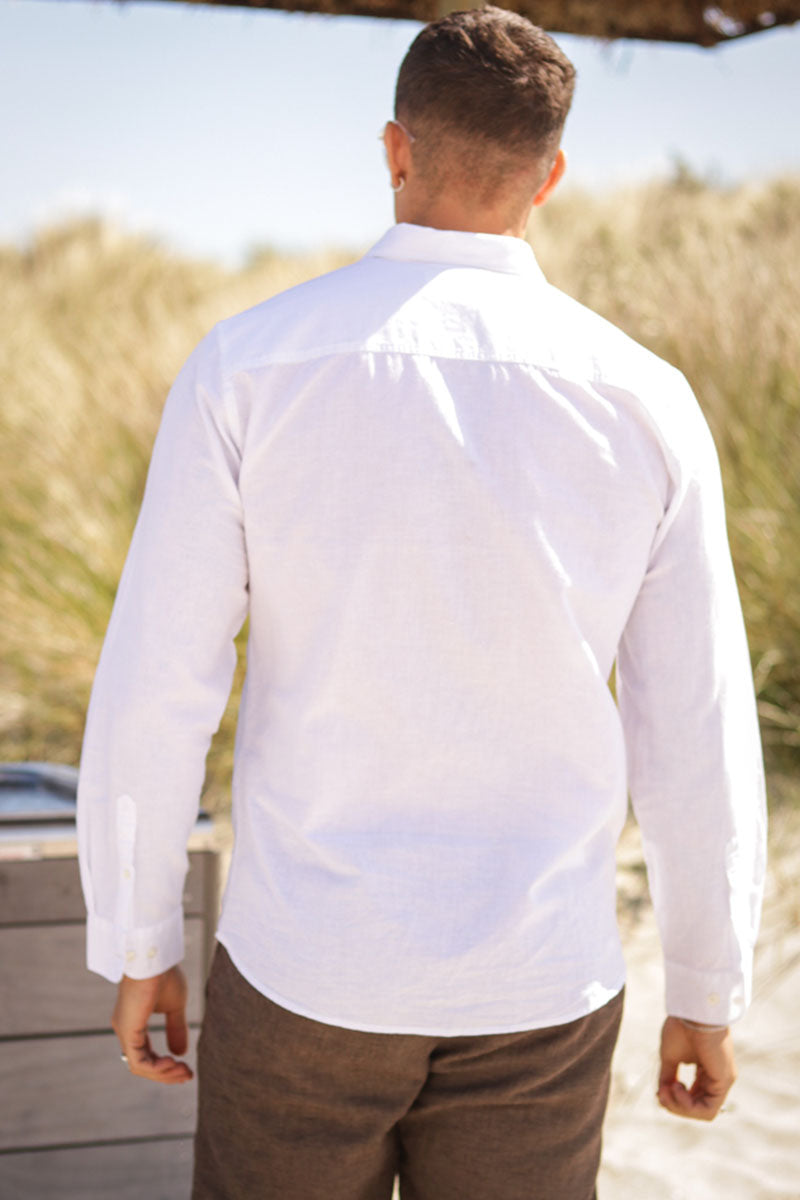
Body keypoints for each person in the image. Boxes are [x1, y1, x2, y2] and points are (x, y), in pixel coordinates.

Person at [77, 8, 766, 1199]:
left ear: (394, 149)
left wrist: (137, 941)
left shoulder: (248, 367)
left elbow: (159, 681)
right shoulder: (645, 400)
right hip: (539, 988)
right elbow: (693, 721)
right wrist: (706, 986)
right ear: (548, 177)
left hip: (304, 972)